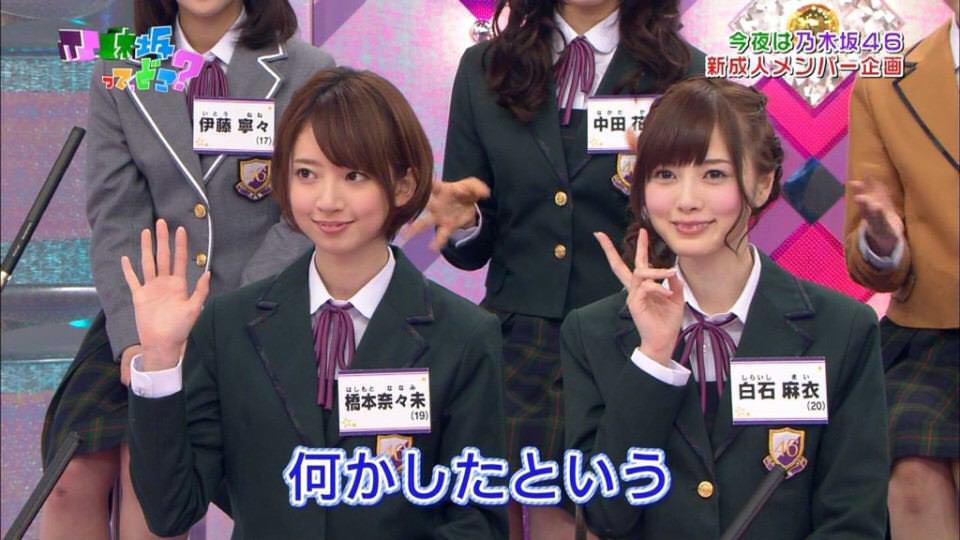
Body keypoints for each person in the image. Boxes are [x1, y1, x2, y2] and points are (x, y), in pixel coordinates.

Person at [121, 67, 508, 539]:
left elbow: (477, 523)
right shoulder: (229, 324)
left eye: (353, 176)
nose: (327, 201)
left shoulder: (464, 335)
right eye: (306, 174)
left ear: (404, 186)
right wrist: (161, 361)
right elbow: (171, 510)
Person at [410, 1, 704, 536]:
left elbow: (697, 221)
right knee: (494, 509)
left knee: (592, 515)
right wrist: (466, 222)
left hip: (628, 331)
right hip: (515, 335)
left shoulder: (682, 72)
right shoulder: (486, 68)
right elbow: (472, 243)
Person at [40, 1, 333, 538]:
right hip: (146, 308)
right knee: (70, 475)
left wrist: (228, 320)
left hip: (256, 315)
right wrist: (137, 340)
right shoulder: (123, 65)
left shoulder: (307, 68)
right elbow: (116, 213)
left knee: (147, 472)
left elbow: (302, 218)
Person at [562, 77, 890, 539]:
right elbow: (603, 514)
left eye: (713, 174)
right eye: (665, 175)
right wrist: (653, 360)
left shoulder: (843, 329)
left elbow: (853, 520)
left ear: (762, 182)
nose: (686, 200)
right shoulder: (592, 333)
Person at [844, 2, 959, 538]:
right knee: (910, 472)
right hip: (934, 332)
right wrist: (884, 242)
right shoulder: (885, 84)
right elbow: (868, 262)